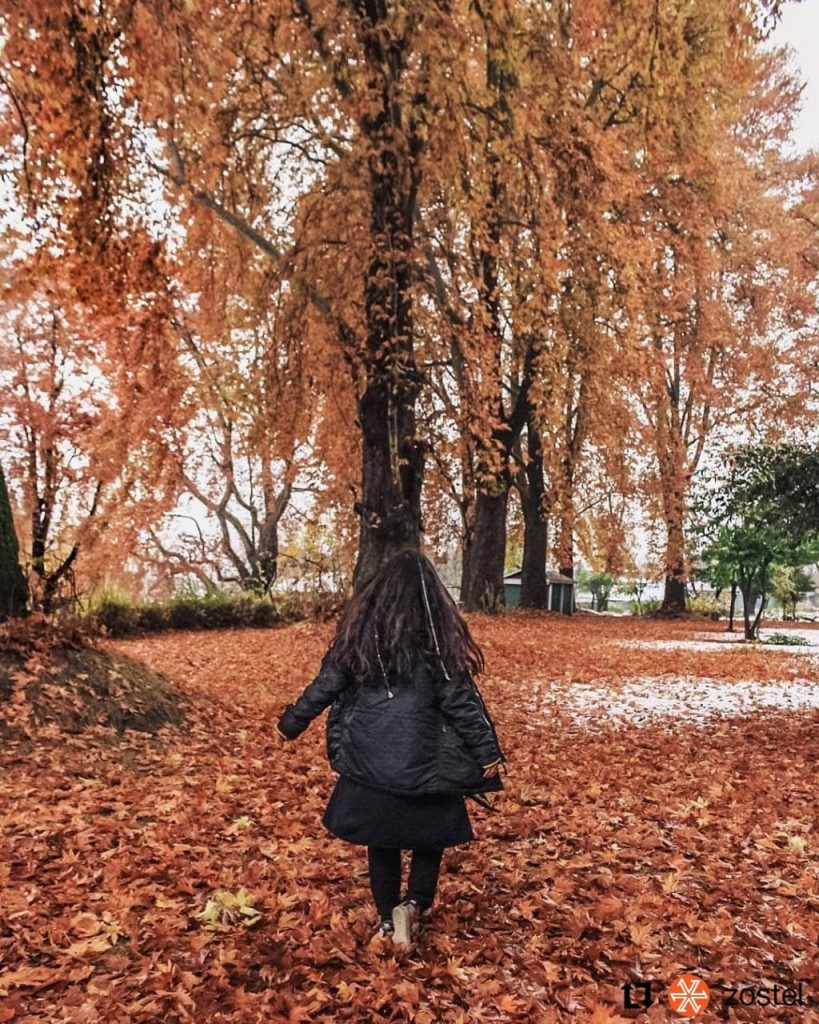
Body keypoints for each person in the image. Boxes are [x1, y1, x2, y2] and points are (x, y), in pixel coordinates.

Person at [276, 547, 507, 950]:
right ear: (432, 599)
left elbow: (324, 686)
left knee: (381, 841)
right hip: (427, 764)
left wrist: (292, 722)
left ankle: (386, 918)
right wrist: (487, 752)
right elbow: (462, 703)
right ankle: (414, 904)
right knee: (428, 839)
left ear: (378, 596)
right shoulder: (437, 647)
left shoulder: (359, 642)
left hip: (370, 760)